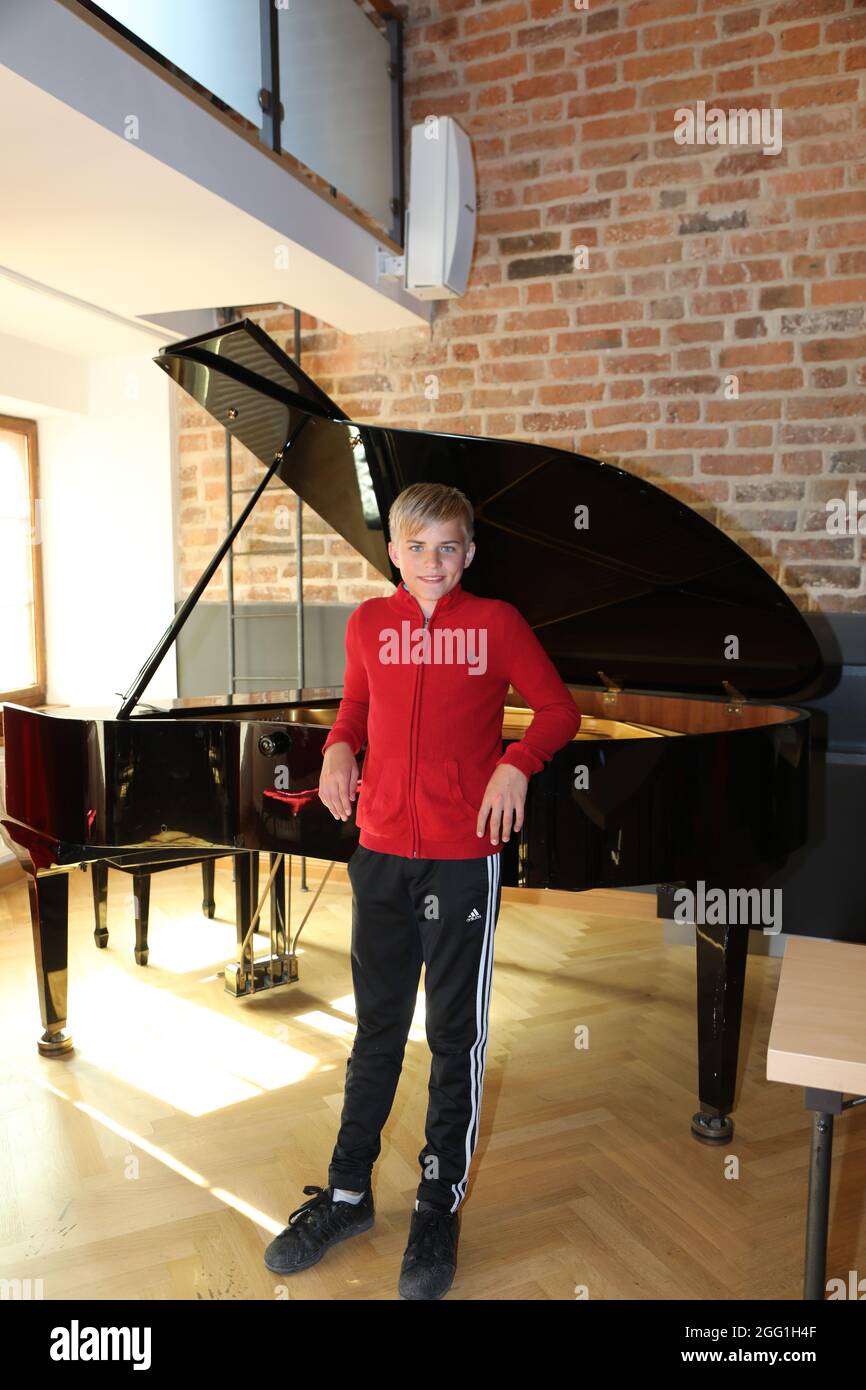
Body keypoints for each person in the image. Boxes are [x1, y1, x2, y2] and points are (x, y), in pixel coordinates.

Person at [264, 482, 581, 1298]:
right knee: (375, 1028)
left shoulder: (497, 624)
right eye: (416, 546)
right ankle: (345, 1194)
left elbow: (556, 711)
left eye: (448, 547)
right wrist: (337, 749)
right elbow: (357, 709)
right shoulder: (369, 624)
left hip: (460, 857)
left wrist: (516, 763)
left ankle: (437, 1203)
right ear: (394, 553)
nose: (432, 561)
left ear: (468, 554)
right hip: (378, 852)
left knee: (452, 1033)